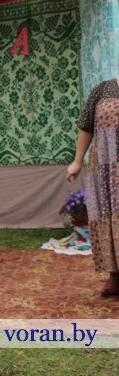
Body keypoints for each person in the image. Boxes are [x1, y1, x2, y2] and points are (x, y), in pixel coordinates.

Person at [67, 77, 119, 296]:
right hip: (104, 166)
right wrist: (77, 161)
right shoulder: (103, 89)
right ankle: (115, 275)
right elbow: (86, 127)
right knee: (106, 219)